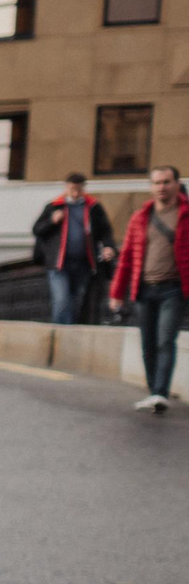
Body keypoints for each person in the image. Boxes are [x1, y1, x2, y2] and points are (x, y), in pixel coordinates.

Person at [111, 163, 183, 413]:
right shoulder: (141, 217)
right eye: (156, 183)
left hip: (173, 289)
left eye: (166, 182)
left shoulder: (186, 214)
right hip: (144, 290)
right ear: (150, 187)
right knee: (147, 344)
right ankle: (154, 393)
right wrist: (116, 293)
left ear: (176, 184)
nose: (161, 187)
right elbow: (127, 257)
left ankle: (160, 392)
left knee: (165, 340)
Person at [32, 173, 116, 326]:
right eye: (72, 189)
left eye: (78, 189)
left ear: (83, 188)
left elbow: (105, 231)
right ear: (66, 188)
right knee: (61, 300)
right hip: (59, 264)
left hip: (83, 264)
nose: (76, 193)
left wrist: (108, 247)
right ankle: (61, 334)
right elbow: (37, 229)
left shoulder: (93, 207)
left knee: (77, 301)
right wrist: (52, 220)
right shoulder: (54, 206)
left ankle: (70, 333)